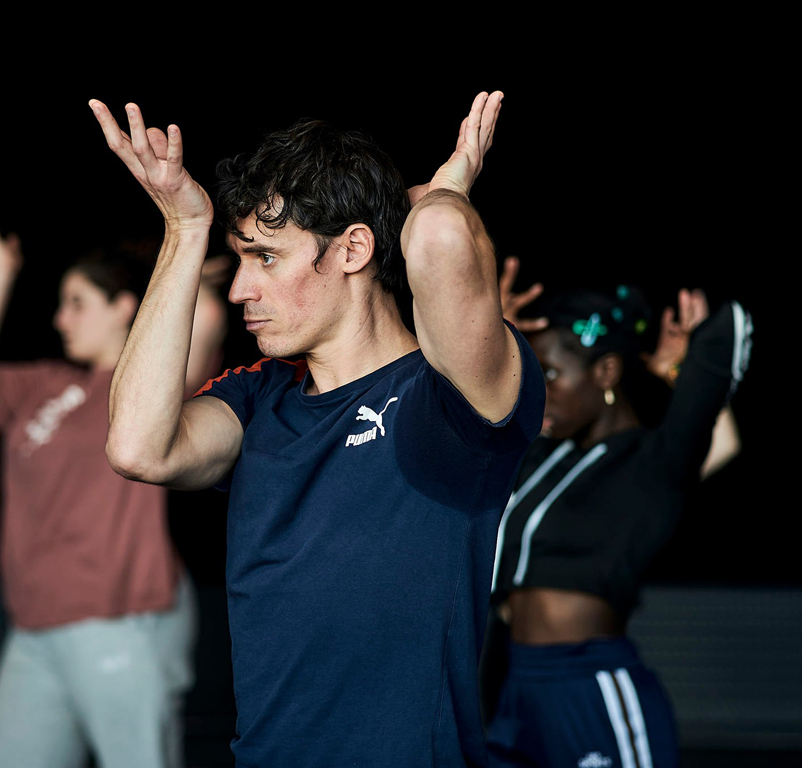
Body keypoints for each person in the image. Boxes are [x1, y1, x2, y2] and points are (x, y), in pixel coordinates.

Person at [87, 91, 545, 767]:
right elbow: (136, 447)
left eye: (266, 257)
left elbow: (444, 240)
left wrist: (442, 196)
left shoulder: (448, 400)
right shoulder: (256, 398)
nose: (241, 289)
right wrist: (185, 230)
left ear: (355, 248)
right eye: (240, 258)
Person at [0, 200, 227, 768]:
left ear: (124, 307)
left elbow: (208, 324)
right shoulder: (42, 384)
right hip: (33, 627)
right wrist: (0, 271)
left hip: (120, 619)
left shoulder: (144, 388)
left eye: (77, 303)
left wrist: (187, 253)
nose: (60, 319)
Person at [483, 263, 752, 768]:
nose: (544, 389)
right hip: (513, 682)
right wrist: (492, 332)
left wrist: (678, 367)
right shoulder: (543, 455)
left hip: (589, 681)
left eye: (555, 375)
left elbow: (726, 352)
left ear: (605, 373)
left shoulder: (650, 464)